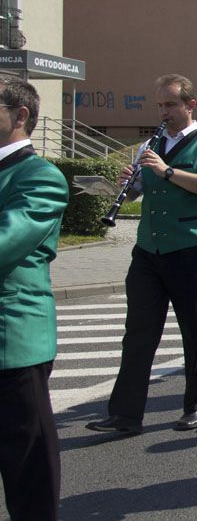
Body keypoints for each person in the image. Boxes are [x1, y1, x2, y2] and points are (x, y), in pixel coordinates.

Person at [87, 74, 197, 434]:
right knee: (138, 331)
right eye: (160, 105)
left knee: (195, 330)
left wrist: (167, 171)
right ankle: (125, 414)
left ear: (190, 105)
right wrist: (128, 185)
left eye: (170, 104)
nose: (164, 111)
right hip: (149, 248)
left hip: (191, 246)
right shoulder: (148, 147)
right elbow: (141, 191)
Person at [0, 77, 69, 521]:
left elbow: (7, 240)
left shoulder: (40, 176)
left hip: (12, 344)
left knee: (28, 480)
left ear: (19, 115)